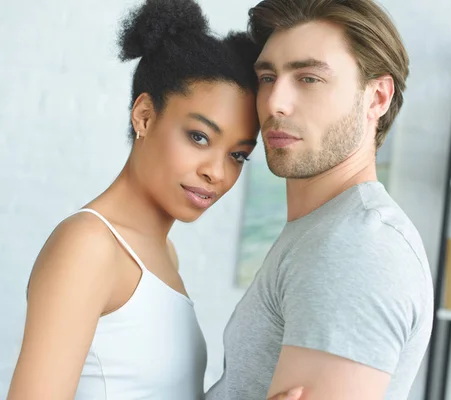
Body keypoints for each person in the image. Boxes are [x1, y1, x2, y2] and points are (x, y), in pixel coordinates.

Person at [7, 1, 301, 399]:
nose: (217, 172)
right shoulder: (89, 246)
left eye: (237, 155)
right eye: (199, 137)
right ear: (144, 115)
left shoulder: (164, 255)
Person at [205, 0, 434, 399]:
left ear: (377, 97)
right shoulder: (324, 230)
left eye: (308, 78)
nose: (275, 102)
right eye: (267, 77)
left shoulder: (358, 246)